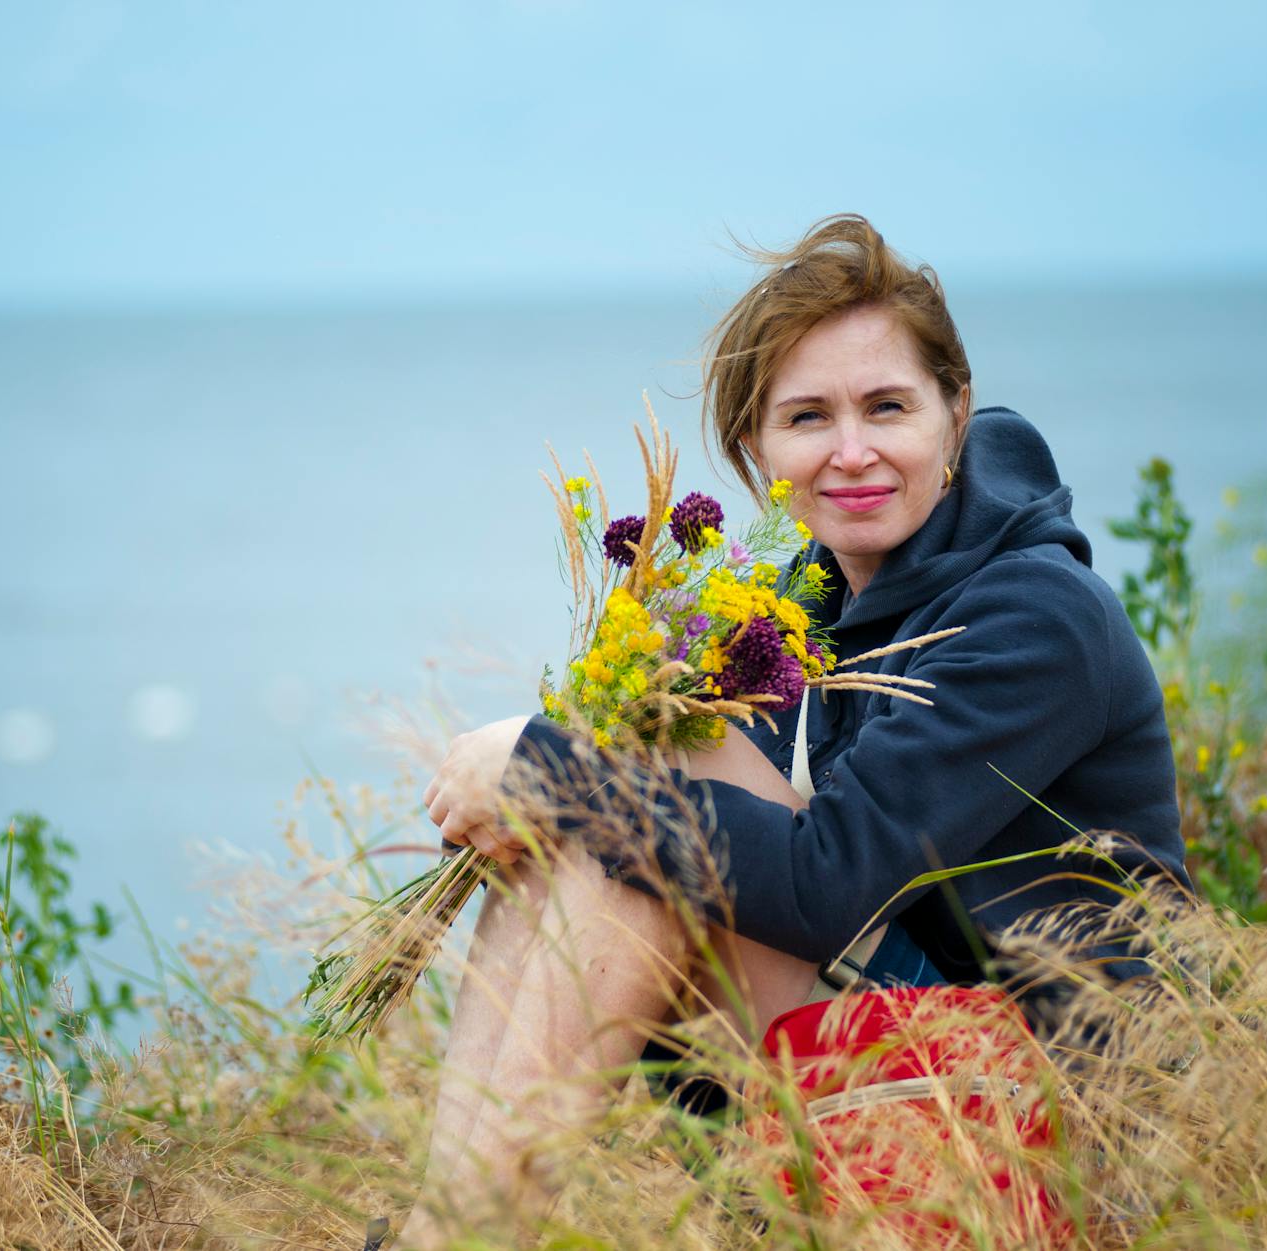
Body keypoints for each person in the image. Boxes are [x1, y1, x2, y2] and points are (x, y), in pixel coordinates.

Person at [398, 214, 1185, 1248]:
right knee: (633, 792)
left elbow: (820, 883)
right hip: (911, 1049)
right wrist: (571, 778)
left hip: (1051, 1128)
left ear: (954, 416)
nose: (850, 452)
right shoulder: (808, 597)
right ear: (754, 448)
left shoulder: (1034, 619)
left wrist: (547, 764)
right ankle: (445, 1225)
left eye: (887, 407)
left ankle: (464, 1233)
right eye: (808, 417)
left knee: (626, 808)